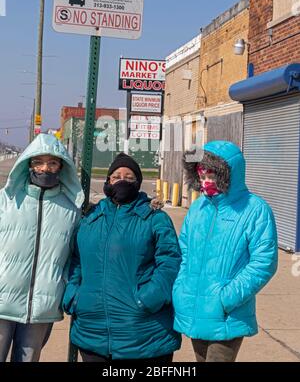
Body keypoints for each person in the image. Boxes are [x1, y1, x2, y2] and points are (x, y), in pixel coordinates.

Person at [63, 152, 181, 363]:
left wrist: (146, 299)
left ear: (138, 183)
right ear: (108, 181)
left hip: (144, 334)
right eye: (116, 176)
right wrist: (75, 297)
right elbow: (76, 261)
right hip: (93, 333)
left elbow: (171, 263)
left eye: (129, 177)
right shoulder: (90, 218)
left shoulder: (155, 219)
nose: (122, 181)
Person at [172, 140, 278, 362]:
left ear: (228, 173)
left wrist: (226, 298)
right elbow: (185, 253)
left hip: (227, 314)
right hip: (194, 307)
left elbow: (264, 262)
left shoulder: (254, 209)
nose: (205, 180)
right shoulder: (197, 208)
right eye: (201, 174)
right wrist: (181, 289)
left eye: (211, 174)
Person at [0, 134, 84, 362]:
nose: (45, 168)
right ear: (28, 164)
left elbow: (73, 258)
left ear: (61, 167)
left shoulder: (70, 210)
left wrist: (61, 284)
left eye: (52, 162)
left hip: (42, 306)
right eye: (38, 162)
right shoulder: (6, 201)